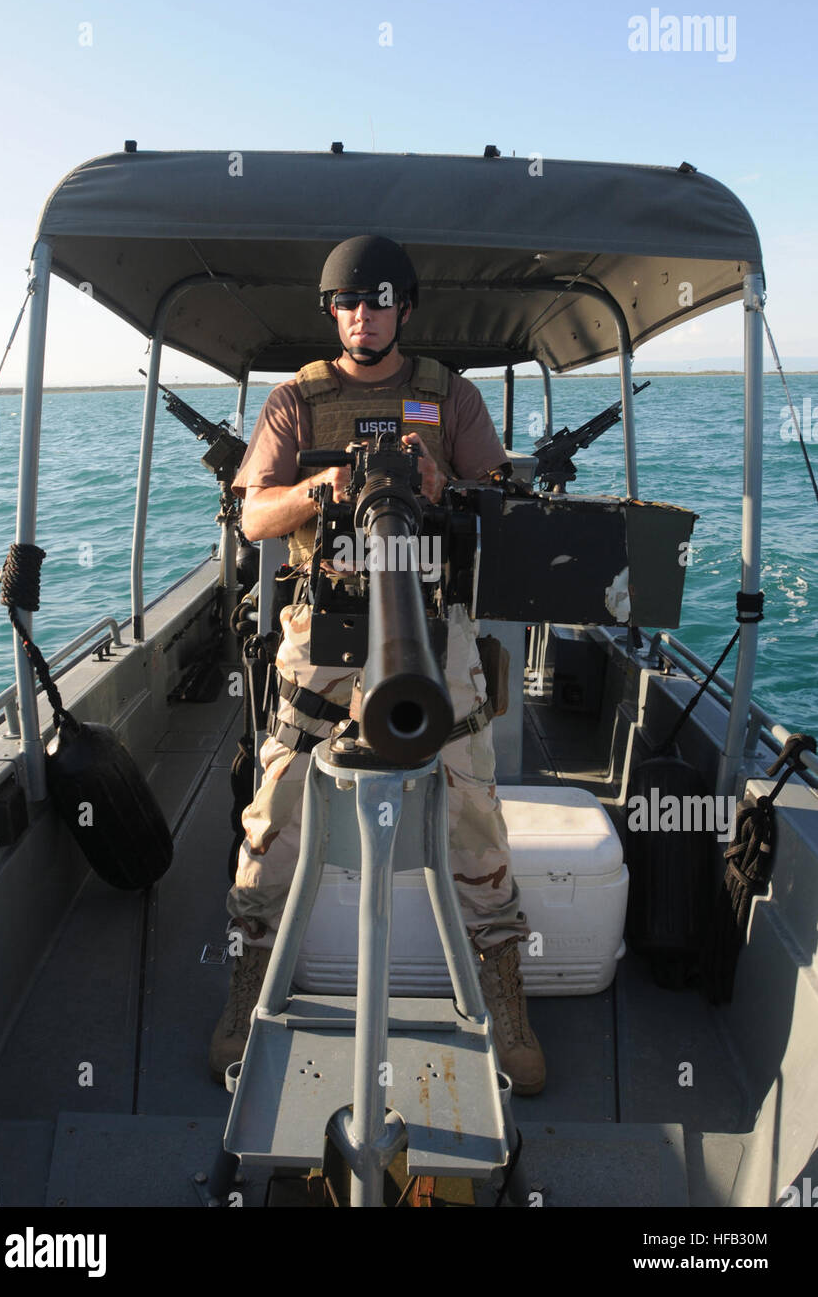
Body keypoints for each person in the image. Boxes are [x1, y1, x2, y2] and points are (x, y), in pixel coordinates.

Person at [209, 235, 545, 1094]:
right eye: (348, 303)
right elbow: (254, 519)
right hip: (324, 616)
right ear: (332, 313)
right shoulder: (297, 401)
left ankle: (503, 993)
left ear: (405, 306)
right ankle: (249, 978)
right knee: (277, 799)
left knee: (473, 799)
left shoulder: (446, 395)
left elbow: (499, 494)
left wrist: (440, 485)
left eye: (380, 299)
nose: (364, 315)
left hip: (430, 614)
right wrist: (322, 490)